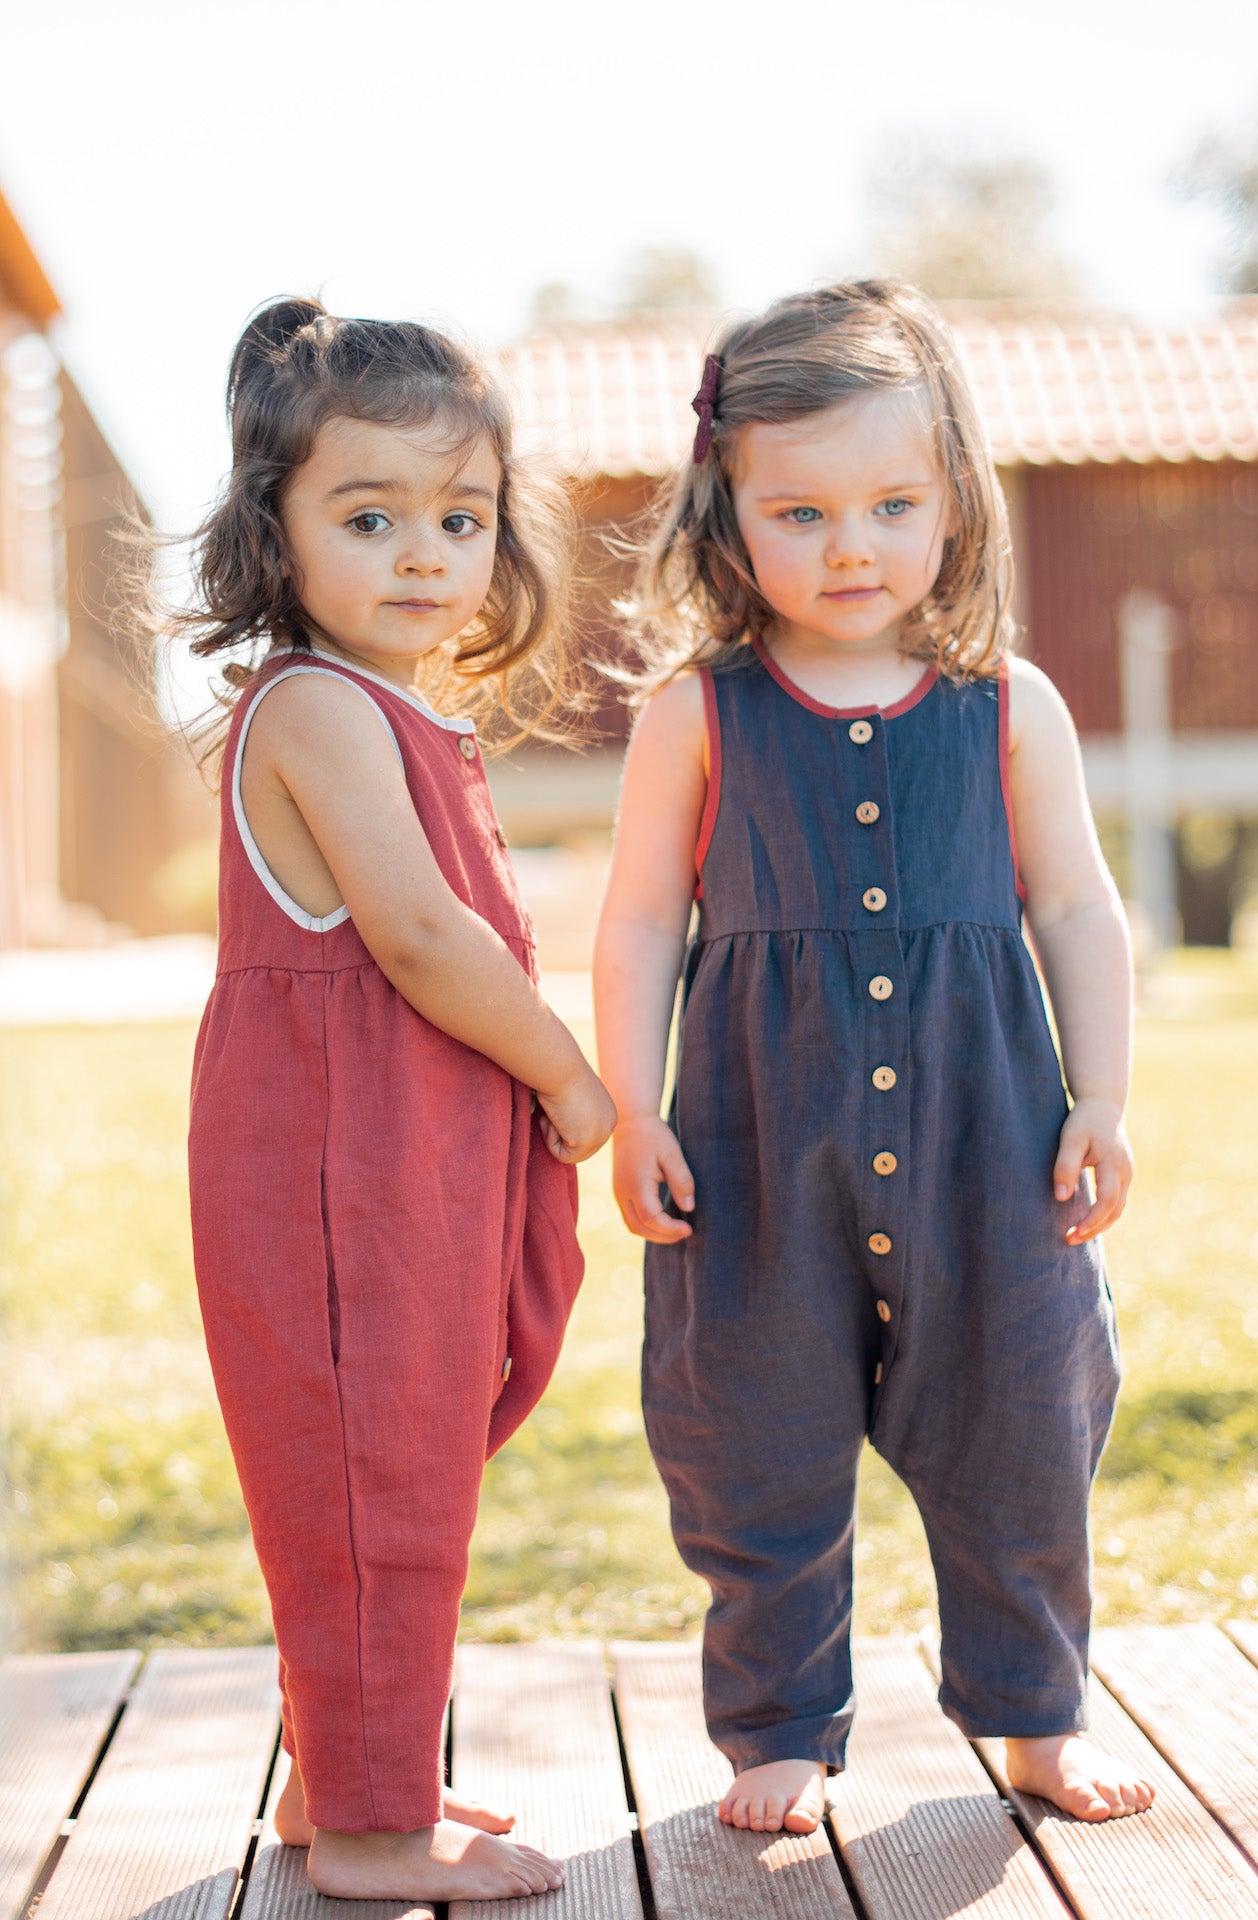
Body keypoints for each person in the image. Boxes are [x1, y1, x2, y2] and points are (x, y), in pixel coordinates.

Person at [593, 279, 1155, 1836]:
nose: (851, 545)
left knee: (1025, 1415)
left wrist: (1101, 1096)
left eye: (893, 504)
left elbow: (1079, 910)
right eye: (803, 511)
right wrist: (632, 1107)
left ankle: (1036, 1711)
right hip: (761, 1145)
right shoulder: (696, 715)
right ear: (729, 518)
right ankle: (776, 1726)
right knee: (748, 1427)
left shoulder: (1005, 707)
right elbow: (640, 920)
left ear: (954, 503)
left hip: (991, 1137)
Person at [179, 298, 615, 1903]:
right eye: (369, 517)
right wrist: (566, 1070)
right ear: (275, 533)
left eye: (462, 517)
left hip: (403, 1157)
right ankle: (370, 1828)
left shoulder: (405, 709)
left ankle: (341, 1779)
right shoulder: (312, 709)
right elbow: (423, 938)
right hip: (337, 1174)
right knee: (369, 1482)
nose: (425, 552)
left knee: (394, 1466)